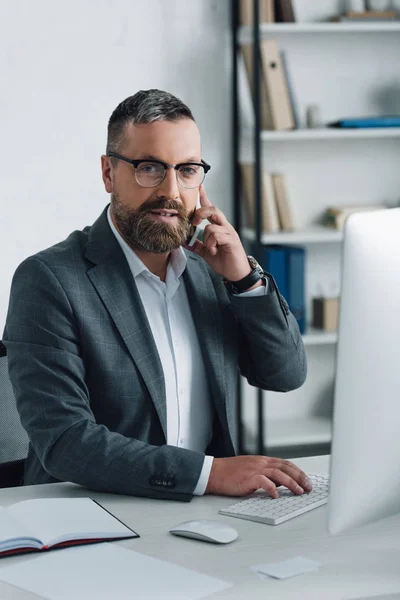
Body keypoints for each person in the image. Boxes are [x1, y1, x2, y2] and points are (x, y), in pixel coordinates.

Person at [3, 89, 311, 501]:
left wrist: (244, 279)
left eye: (187, 170)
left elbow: (285, 374)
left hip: (205, 514)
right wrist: (209, 474)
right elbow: (65, 441)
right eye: (150, 168)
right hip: (93, 516)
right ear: (109, 173)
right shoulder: (50, 279)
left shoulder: (212, 270)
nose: (171, 189)